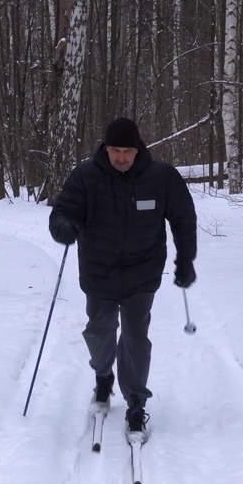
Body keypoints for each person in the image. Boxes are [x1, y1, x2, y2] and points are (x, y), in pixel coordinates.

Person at [48, 117, 197, 440]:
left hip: (142, 273)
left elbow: (183, 217)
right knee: (99, 331)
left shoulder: (161, 178)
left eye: (127, 151)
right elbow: (61, 213)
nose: (121, 158)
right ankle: (103, 376)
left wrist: (186, 260)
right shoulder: (86, 177)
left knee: (135, 337)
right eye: (115, 150)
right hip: (98, 272)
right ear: (106, 148)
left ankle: (135, 402)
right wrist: (63, 228)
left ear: (138, 149)